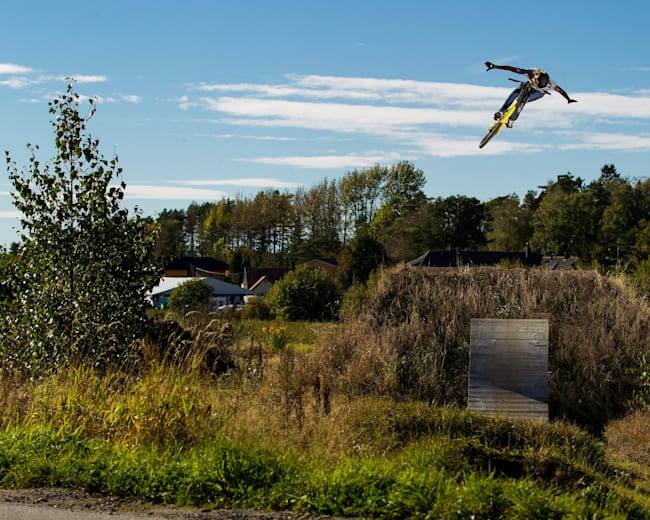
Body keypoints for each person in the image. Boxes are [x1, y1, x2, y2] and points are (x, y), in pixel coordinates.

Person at [485, 61, 577, 128]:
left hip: (539, 92)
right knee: (516, 92)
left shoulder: (551, 83)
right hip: (530, 86)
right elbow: (511, 69)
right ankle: (502, 111)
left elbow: (561, 91)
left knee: (523, 101)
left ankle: (511, 120)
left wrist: (568, 99)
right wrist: (495, 66)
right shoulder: (529, 72)